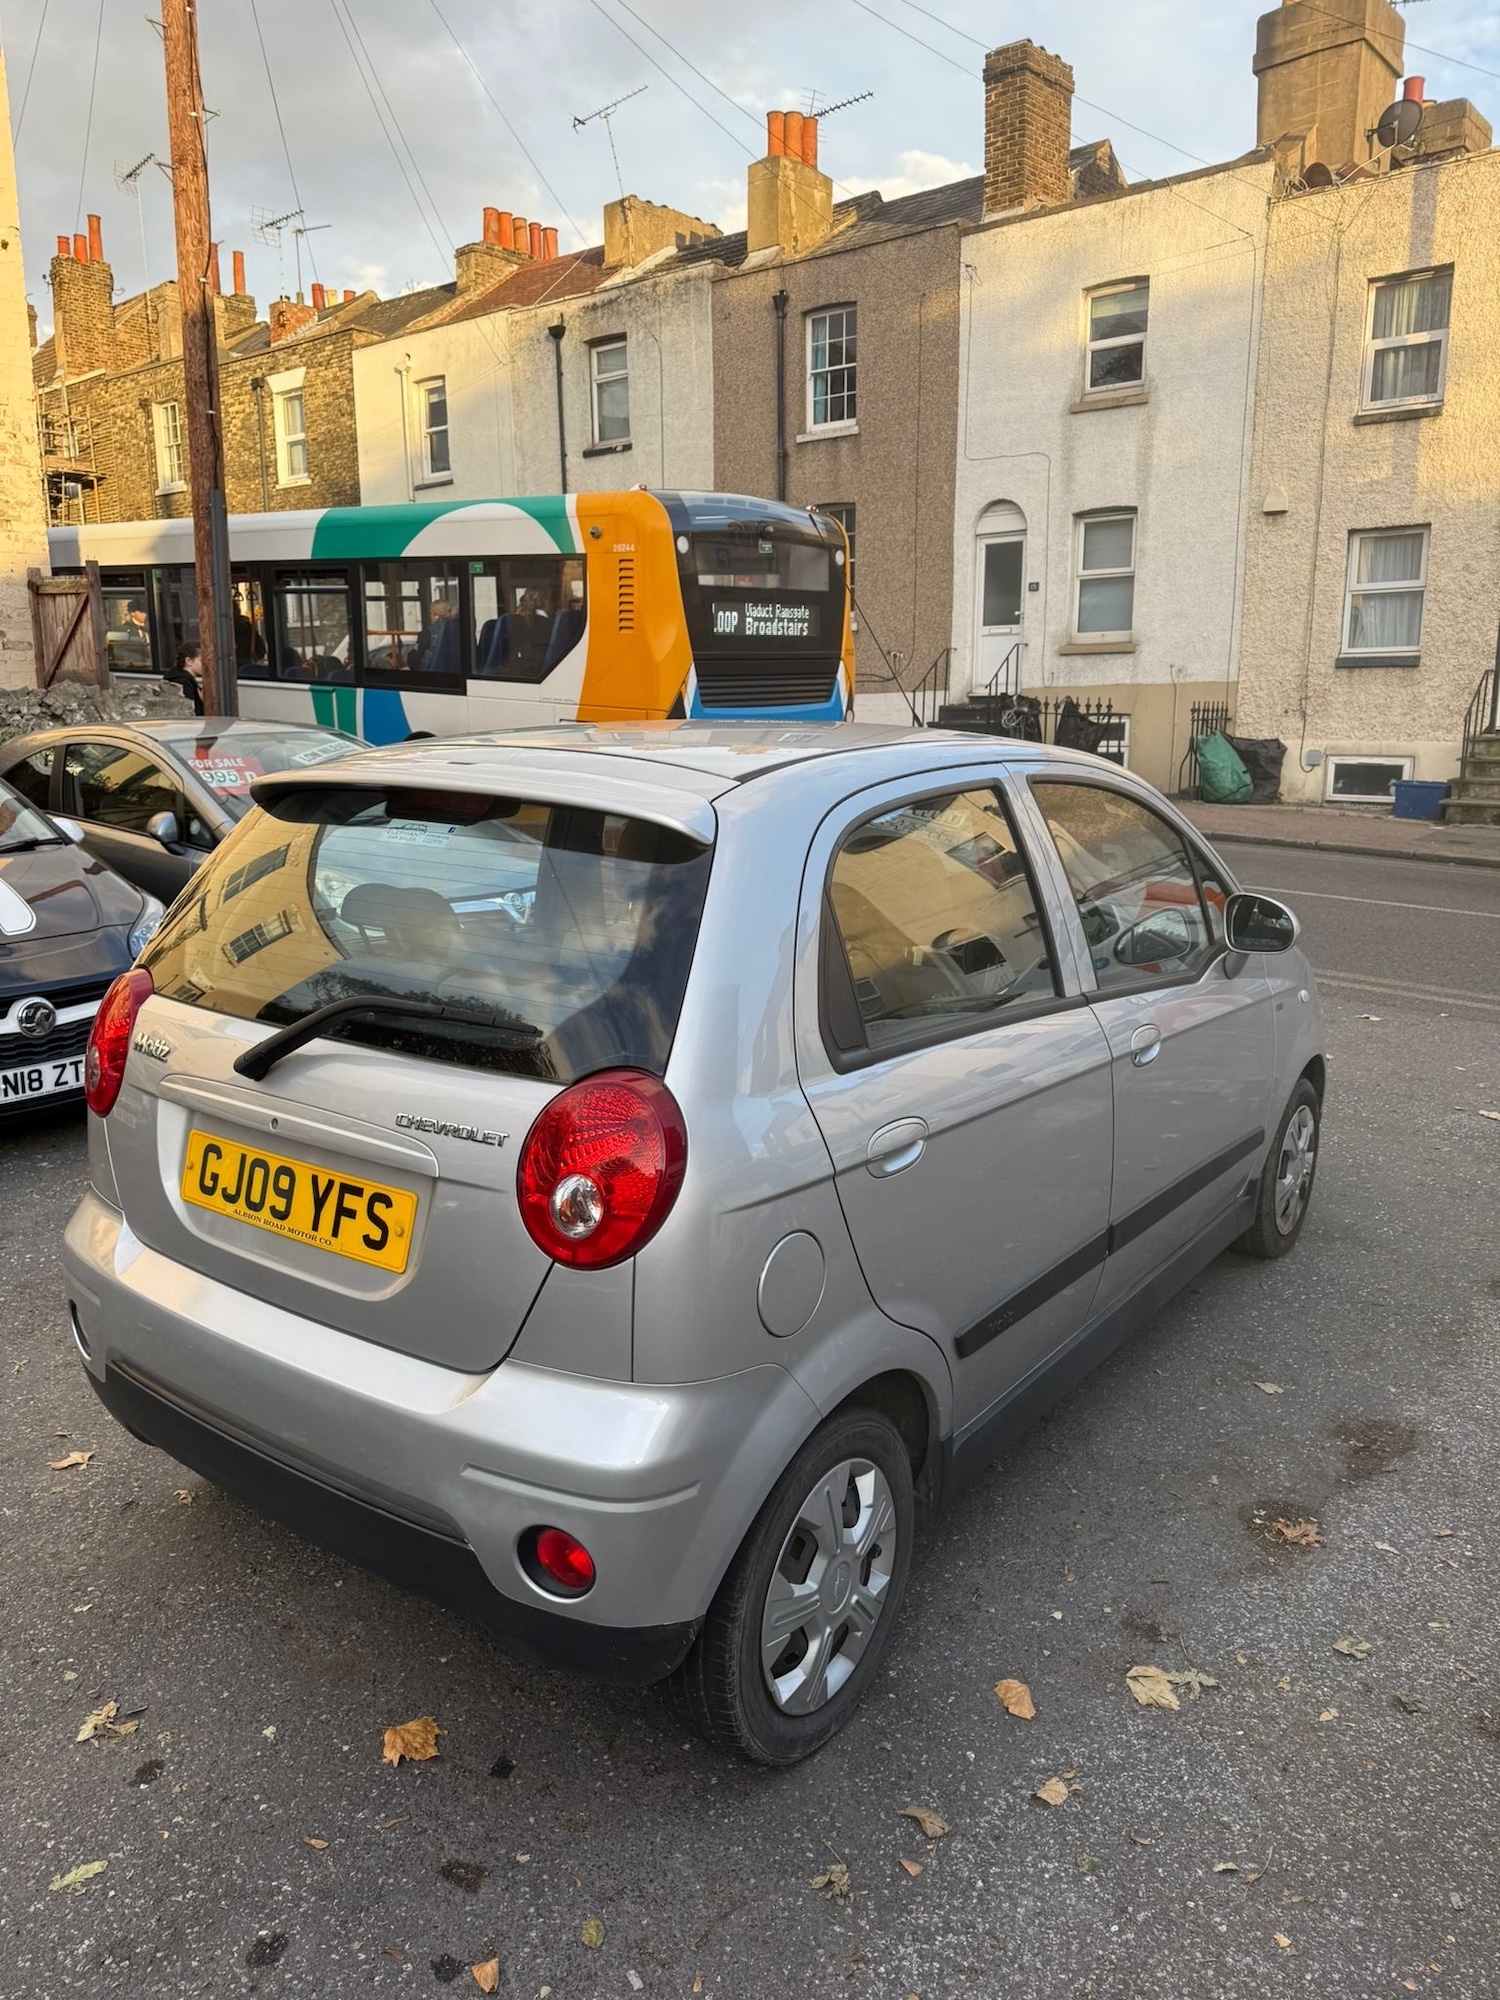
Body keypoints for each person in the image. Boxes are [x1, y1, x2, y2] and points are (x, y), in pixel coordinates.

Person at [162, 639, 205, 716]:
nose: (205, 665)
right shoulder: (184, 683)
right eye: (201, 661)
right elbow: (191, 713)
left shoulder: (177, 678)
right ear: (188, 661)